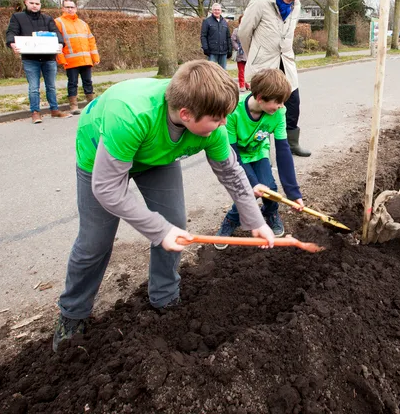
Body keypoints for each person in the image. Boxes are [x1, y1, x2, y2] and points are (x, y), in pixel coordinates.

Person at [52, 60, 276, 352]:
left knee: (175, 225)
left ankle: (164, 295)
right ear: (185, 114)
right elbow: (108, 188)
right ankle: (72, 314)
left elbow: (232, 173)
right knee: (95, 242)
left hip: (157, 157)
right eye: (218, 118)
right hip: (101, 154)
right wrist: (158, 229)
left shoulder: (212, 129)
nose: (225, 124)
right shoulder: (131, 115)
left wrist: (256, 221)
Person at [215, 69, 304, 248]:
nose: (280, 106)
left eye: (282, 102)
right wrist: (253, 183)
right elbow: (232, 152)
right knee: (249, 190)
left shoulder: (279, 113)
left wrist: (293, 193)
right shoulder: (234, 112)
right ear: (261, 98)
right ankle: (232, 220)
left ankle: (270, 212)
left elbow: (283, 151)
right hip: (238, 156)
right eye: (277, 102)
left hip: (259, 152)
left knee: (269, 188)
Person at [239, 0, 311, 157]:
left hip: (285, 63)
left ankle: (292, 144)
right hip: (263, 64)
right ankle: (261, 151)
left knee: (293, 103)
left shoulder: (296, 5)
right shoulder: (261, 3)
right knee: (264, 108)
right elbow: (244, 33)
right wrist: (254, 55)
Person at [6, 0, 71, 124]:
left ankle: (54, 110)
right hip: (30, 59)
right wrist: (11, 43)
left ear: (40, 5)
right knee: (34, 87)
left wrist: (60, 44)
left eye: (37, 4)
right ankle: (35, 112)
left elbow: (57, 33)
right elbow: (11, 32)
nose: (35, 6)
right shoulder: (18, 18)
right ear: (26, 3)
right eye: (32, 3)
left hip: (48, 58)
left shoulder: (47, 19)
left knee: (51, 86)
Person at [55, 0, 99, 114]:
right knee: (72, 82)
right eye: (67, 7)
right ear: (63, 8)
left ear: (76, 8)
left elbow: (90, 40)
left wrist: (95, 57)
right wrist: (61, 58)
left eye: (72, 7)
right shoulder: (59, 22)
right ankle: (73, 106)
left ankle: (91, 103)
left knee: (88, 82)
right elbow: (57, 42)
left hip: (85, 59)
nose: (70, 9)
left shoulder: (83, 24)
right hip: (71, 60)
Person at [201, 3, 233, 69]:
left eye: (218, 10)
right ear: (212, 11)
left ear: (221, 11)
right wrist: (205, 48)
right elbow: (203, 36)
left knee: (223, 72)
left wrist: (230, 49)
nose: (217, 11)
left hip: (223, 52)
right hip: (212, 52)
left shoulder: (224, 22)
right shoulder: (207, 21)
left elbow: (228, 37)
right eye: (215, 10)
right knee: (211, 71)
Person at [231, 14, 248, 91]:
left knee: (248, 70)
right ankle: (242, 85)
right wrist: (237, 48)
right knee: (241, 70)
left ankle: (247, 84)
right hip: (240, 53)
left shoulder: (250, 29)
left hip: (248, 53)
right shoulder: (236, 30)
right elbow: (233, 40)